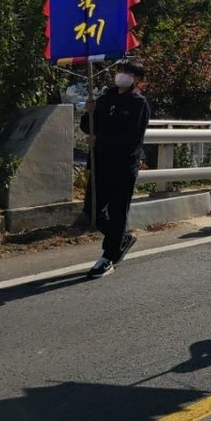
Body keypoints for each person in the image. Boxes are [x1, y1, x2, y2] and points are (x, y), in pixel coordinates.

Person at [81, 59, 150, 279]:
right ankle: (121, 239)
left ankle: (108, 257)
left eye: (129, 73)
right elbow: (87, 126)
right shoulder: (105, 98)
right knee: (92, 211)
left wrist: (98, 141)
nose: (122, 75)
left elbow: (131, 138)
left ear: (138, 80)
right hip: (100, 163)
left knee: (118, 212)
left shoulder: (139, 104)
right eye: (120, 71)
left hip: (123, 166)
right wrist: (88, 112)